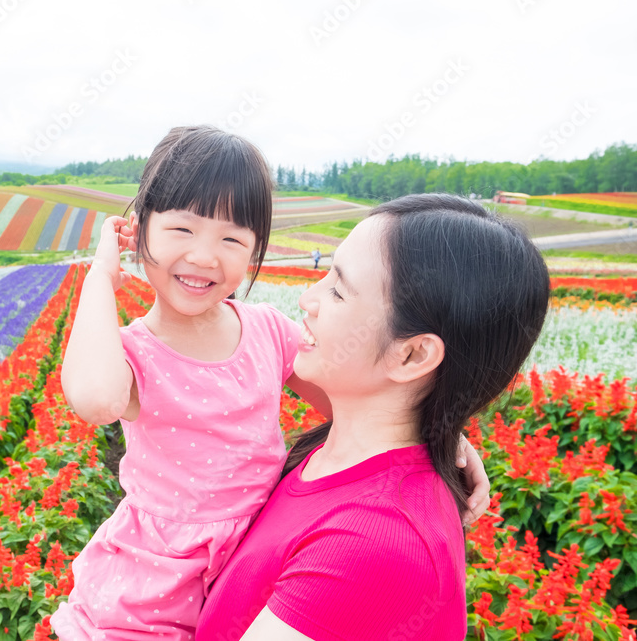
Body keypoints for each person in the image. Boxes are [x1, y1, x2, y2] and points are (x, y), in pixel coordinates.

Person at [52, 127, 491, 640]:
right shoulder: (136, 353)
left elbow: (364, 408)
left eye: (232, 239)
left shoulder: (263, 331)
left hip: (244, 562)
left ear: (256, 250)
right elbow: (95, 398)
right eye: (182, 230)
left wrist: (446, 440)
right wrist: (101, 277)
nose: (204, 257)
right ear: (138, 229)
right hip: (156, 582)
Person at [196, 194, 549, 640]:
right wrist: (446, 433)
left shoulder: (375, 543)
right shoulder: (335, 458)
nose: (307, 298)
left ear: (413, 354)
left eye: (338, 290)